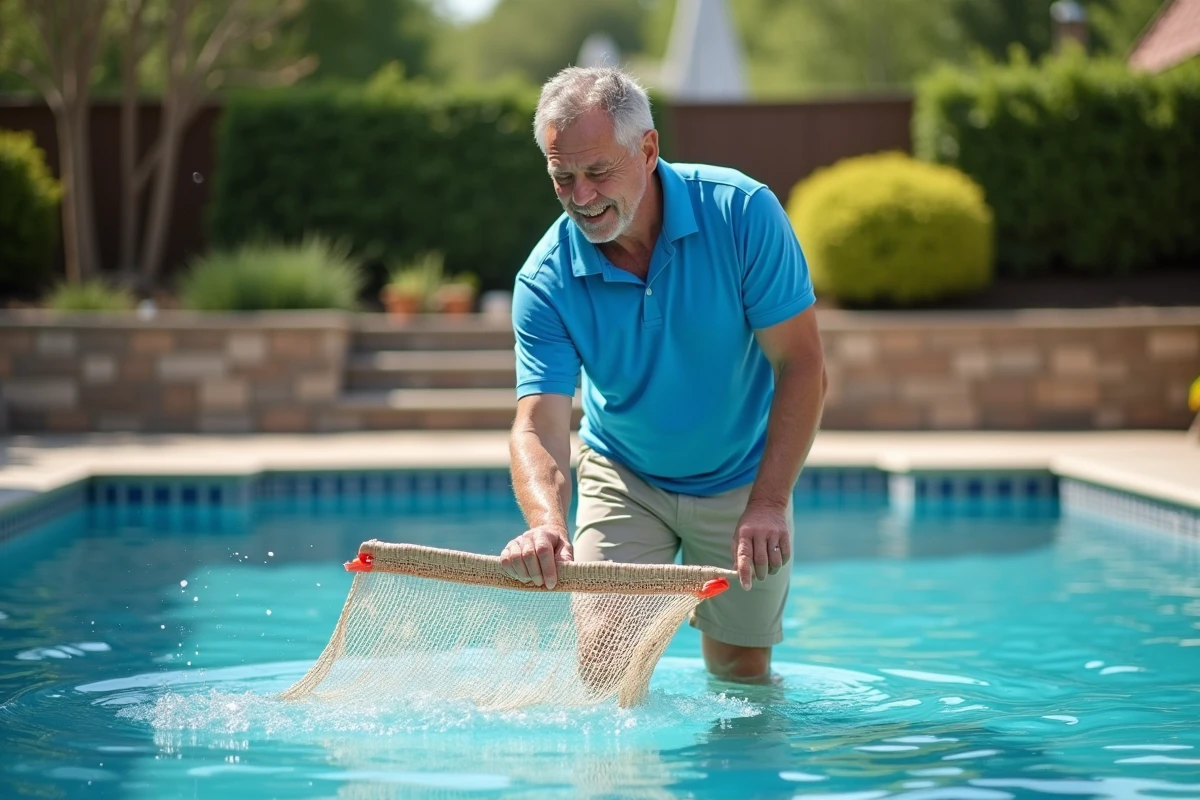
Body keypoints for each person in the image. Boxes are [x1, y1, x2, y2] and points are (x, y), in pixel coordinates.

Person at [498, 66, 827, 683]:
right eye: (561, 177)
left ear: (647, 150)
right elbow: (538, 423)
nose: (581, 197)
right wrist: (545, 523)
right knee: (603, 666)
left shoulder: (742, 214)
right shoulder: (545, 279)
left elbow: (802, 364)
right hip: (625, 475)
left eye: (597, 173)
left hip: (741, 477)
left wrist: (769, 501)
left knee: (740, 667)